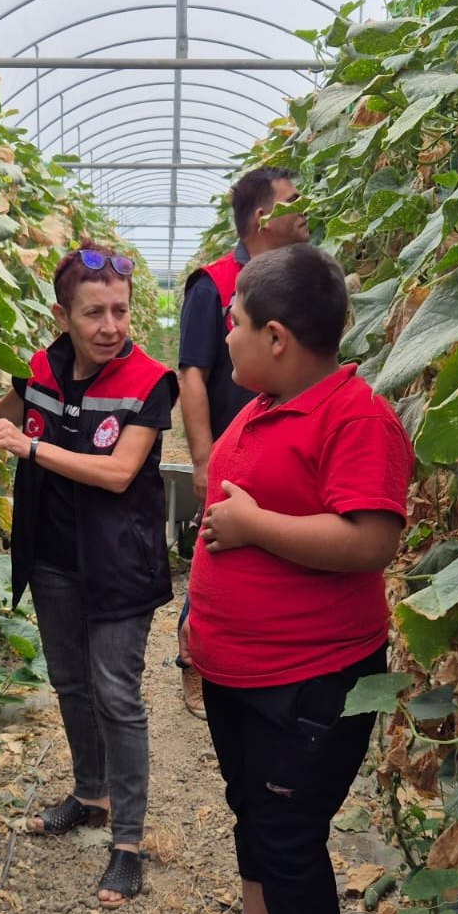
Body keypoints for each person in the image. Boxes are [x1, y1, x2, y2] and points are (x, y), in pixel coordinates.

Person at [160, 244, 414, 914]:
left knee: (292, 838)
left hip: (310, 681)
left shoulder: (354, 418)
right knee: (254, 815)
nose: (220, 338)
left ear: (275, 335)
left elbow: (372, 539)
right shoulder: (267, 403)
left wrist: (258, 528)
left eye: (232, 325)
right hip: (246, 674)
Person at [0, 241, 177, 908]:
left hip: (119, 563)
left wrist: (31, 446)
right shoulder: (43, 371)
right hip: (54, 557)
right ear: (62, 315)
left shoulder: (148, 382)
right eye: (93, 313)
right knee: (70, 682)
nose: (110, 326)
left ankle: (129, 845)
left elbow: (118, 473)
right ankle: (90, 795)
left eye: (119, 310)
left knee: (118, 693)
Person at [175, 167, 309, 719]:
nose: (308, 210)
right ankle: (192, 663)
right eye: (294, 202)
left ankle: (256, 666)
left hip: (284, 446)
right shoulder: (214, 283)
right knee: (215, 554)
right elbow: (191, 375)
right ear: (263, 217)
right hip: (233, 452)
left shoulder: (301, 279)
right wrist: (205, 458)